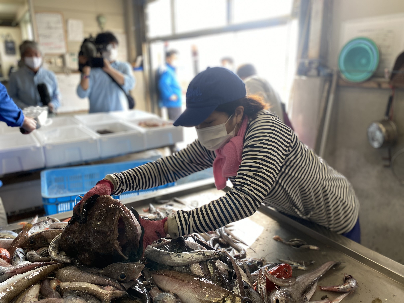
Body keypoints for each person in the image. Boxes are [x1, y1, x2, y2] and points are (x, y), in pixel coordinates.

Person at [81, 67, 361, 250]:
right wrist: (113, 182)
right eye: (196, 123)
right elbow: (171, 167)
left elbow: (244, 200)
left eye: (208, 121)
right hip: (291, 212)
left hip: (332, 215)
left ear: (238, 113)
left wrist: (167, 226)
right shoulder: (221, 136)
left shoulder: (265, 132)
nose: (201, 130)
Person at [77, 32, 135, 113]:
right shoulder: (91, 70)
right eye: (110, 47)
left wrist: (109, 69)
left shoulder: (124, 66)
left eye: (115, 46)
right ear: (99, 48)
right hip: (97, 118)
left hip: (121, 115)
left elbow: (130, 84)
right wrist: (86, 72)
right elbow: (82, 94)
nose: (113, 50)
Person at [8, 41, 60, 112]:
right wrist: (26, 109)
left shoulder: (50, 75)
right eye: (29, 55)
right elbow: (11, 98)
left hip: (48, 115)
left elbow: (56, 96)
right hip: (25, 116)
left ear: (41, 56)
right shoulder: (15, 76)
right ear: (23, 57)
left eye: (36, 54)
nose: (33, 58)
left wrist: (53, 104)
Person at [158, 50, 182, 121]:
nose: (176, 60)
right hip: (173, 103)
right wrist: (170, 95)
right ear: (168, 59)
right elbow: (162, 84)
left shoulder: (172, 70)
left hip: (176, 102)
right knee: (176, 124)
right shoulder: (167, 71)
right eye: (175, 58)